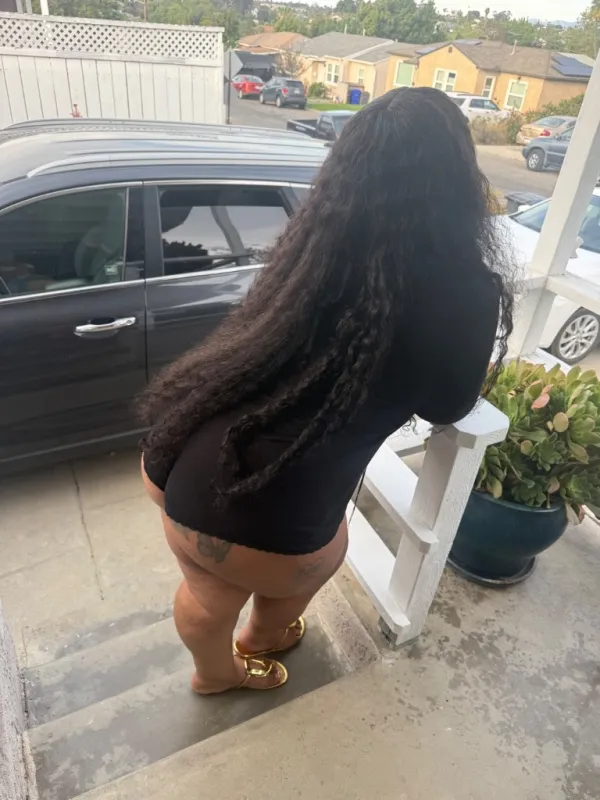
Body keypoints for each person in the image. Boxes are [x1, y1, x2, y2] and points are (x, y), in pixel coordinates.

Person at [140, 87, 514, 694]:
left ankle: (213, 674)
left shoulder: (313, 245)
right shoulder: (467, 291)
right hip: (270, 514)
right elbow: (446, 406)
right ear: (458, 180)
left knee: (206, 594)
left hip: (173, 458)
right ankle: (260, 640)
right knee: (319, 556)